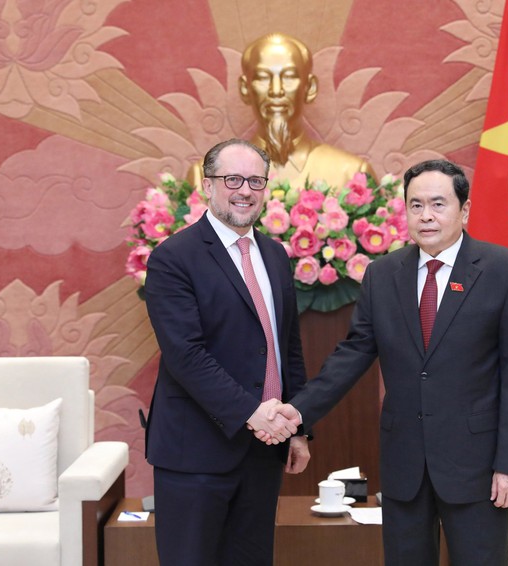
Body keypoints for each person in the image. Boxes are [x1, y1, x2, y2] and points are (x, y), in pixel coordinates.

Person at [262, 159, 508, 565]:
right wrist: (298, 412)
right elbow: (354, 353)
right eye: (415, 205)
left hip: (476, 466)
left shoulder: (506, 272)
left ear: (464, 210)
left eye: (438, 204)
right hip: (404, 462)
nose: (426, 215)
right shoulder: (383, 274)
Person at [144, 138, 310, 565]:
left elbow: (286, 346)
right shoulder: (173, 258)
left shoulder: (275, 255)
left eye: (256, 180)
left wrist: (299, 428)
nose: (245, 190)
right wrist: (253, 414)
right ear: (207, 185)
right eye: (232, 178)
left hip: (263, 452)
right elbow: (186, 356)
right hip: (197, 452)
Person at [187, 33, 375, 190]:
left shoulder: (352, 175)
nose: (276, 91)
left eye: (289, 77)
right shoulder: (207, 177)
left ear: (309, 87)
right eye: (262, 77)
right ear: (245, 88)